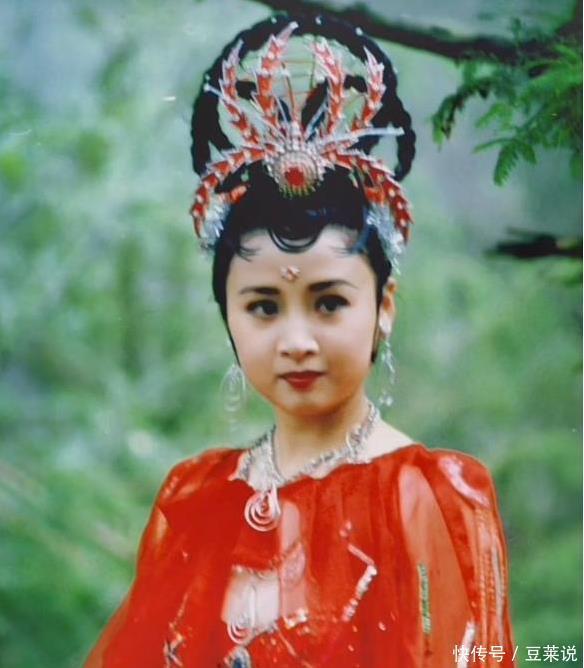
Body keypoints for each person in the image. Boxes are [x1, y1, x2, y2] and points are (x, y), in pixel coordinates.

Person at [84, 13, 516, 668]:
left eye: (329, 303)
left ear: (384, 307)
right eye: (263, 307)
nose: (296, 340)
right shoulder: (199, 495)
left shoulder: (422, 494)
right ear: (228, 316)